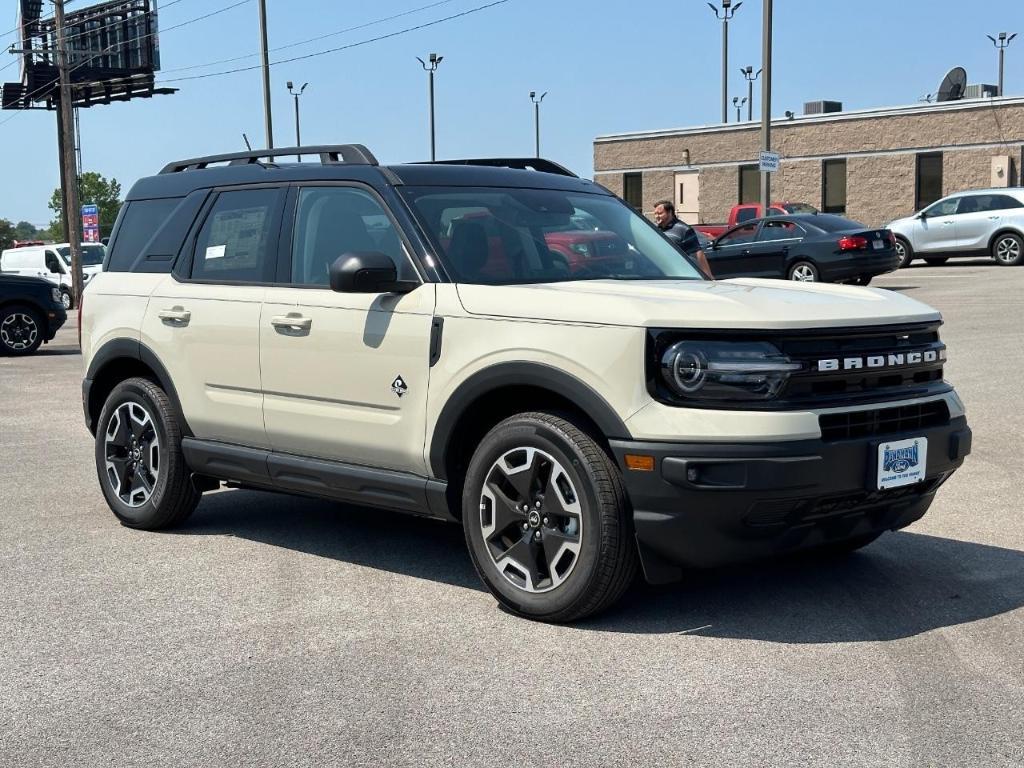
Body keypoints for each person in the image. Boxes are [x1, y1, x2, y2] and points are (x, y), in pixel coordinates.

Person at [653, 200, 713, 278]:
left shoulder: (683, 229)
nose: (657, 216)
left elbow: (697, 252)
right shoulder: (653, 227)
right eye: (655, 214)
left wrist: (708, 275)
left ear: (670, 212)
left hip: (676, 273)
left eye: (660, 213)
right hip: (656, 272)